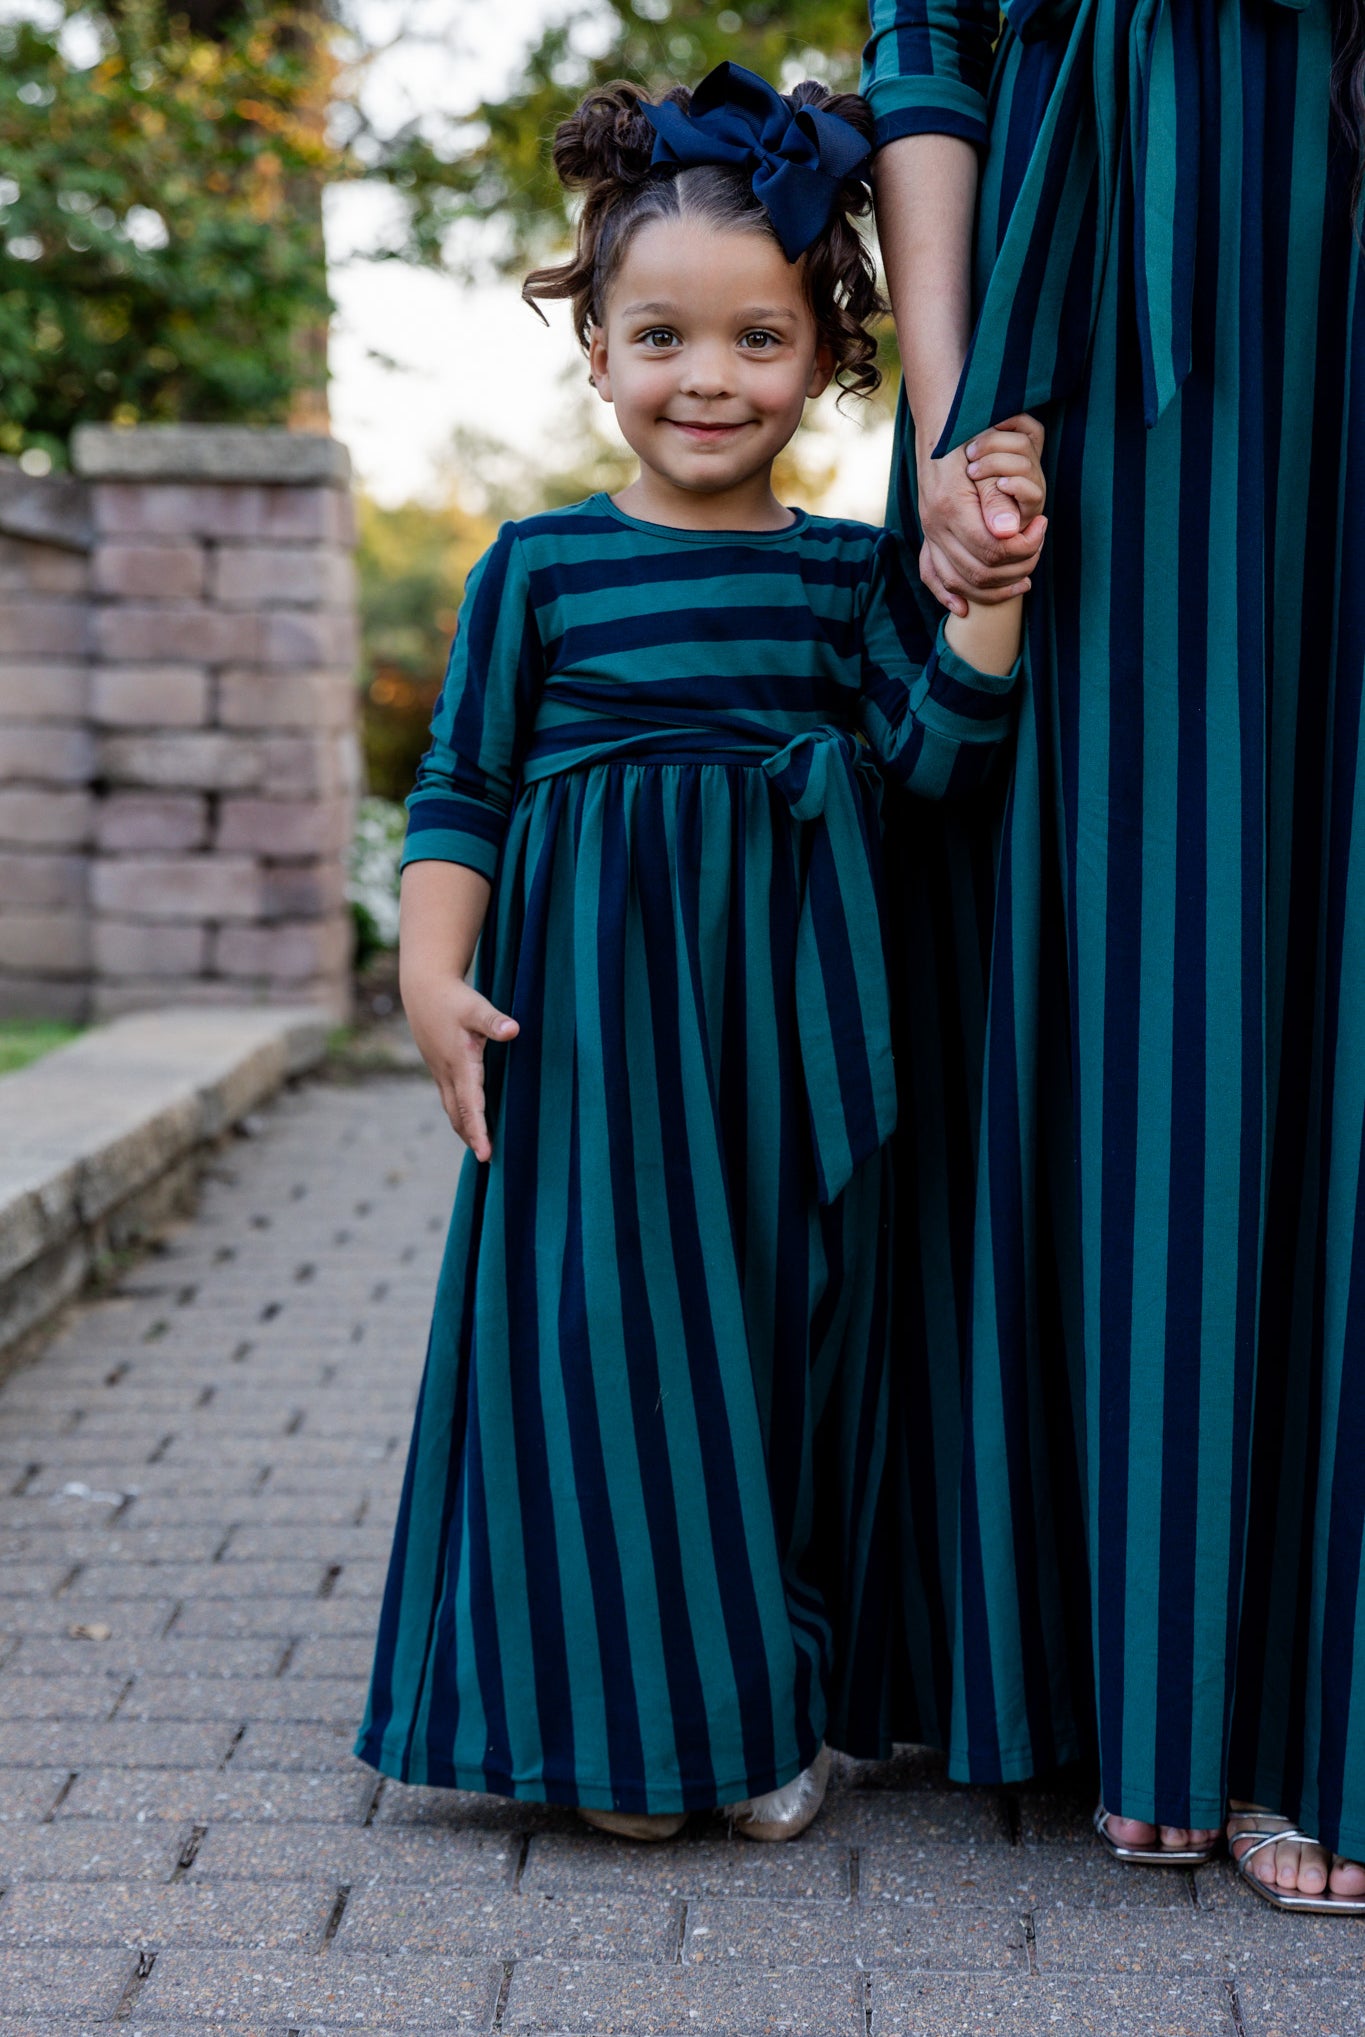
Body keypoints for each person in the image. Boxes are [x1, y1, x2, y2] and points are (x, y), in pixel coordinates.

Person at [354, 60, 1045, 1843]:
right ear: (595, 352)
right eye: (660, 337)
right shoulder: (539, 570)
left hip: (791, 1031)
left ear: (826, 358)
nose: (707, 378)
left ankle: (758, 1717)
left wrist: (987, 612)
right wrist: (434, 976)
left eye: (756, 340)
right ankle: (627, 1735)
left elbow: (923, 763)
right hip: (594, 1051)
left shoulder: (842, 575)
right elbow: (465, 785)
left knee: (781, 1350)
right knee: (608, 1360)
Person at [862, 0, 1365, 1910]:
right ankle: (1162, 1688)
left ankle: (1325, 1704)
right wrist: (946, 429)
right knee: (1169, 970)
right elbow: (930, 53)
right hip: (1112, 332)